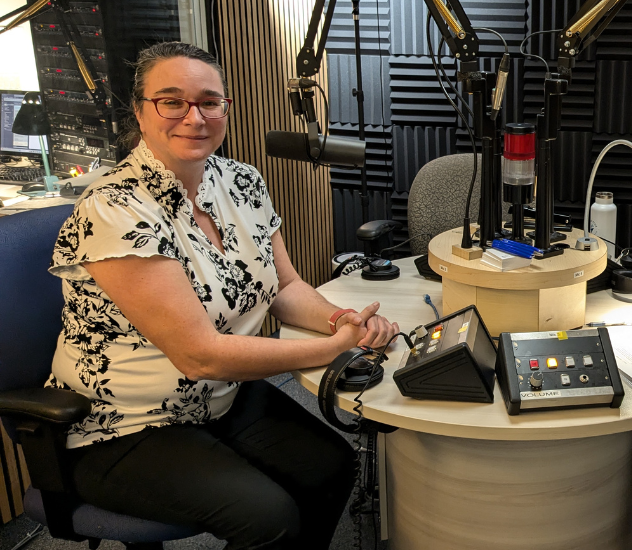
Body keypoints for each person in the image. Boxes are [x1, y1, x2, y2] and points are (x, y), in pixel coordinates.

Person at [47, 42, 399, 549]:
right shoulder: (114, 208)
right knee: (268, 516)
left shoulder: (242, 182)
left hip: (223, 399)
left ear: (225, 110)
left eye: (209, 101)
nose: (195, 116)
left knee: (330, 468)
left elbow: (286, 287)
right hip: (122, 424)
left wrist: (343, 319)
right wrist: (334, 347)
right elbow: (200, 355)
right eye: (172, 101)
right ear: (140, 113)